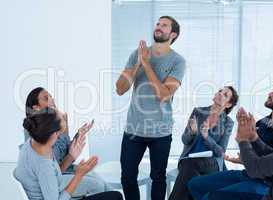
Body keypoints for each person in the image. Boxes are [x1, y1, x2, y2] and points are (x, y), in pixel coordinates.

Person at [188, 80, 273, 200]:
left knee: (210, 196)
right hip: (249, 173)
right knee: (195, 184)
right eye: (272, 90)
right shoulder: (262, 122)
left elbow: (271, 165)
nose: (270, 93)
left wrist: (243, 141)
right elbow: (268, 154)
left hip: (263, 182)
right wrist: (250, 139)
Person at [115, 16, 186, 200]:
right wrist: (139, 62)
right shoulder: (137, 54)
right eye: (157, 24)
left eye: (164, 25)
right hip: (134, 129)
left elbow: (163, 94)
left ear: (173, 34)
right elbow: (120, 89)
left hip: (160, 132)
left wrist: (146, 64)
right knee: (128, 177)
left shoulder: (178, 61)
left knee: (158, 178)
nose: (158, 27)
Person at [14, 107, 123, 200]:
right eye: (62, 119)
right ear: (53, 134)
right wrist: (79, 175)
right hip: (58, 193)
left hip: (57, 184)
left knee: (101, 183)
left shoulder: (36, 140)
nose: (64, 116)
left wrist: (72, 152)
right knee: (115, 196)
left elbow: (54, 175)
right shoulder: (43, 165)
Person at [24, 87, 108, 198]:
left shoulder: (59, 120)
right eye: (46, 98)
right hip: (51, 180)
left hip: (64, 169)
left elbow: (65, 149)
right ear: (36, 108)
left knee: (103, 183)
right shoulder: (36, 131)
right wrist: (72, 158)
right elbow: (53, 172)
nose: (51, 99)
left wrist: (78, 135)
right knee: (98, 185)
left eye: (51, 96)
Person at [168, 86, 239, 200]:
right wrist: (192, 132)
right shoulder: (198, 111)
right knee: (191, 173)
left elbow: (221, 152)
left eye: (225, 95)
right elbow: (184, 140)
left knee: (190, 167)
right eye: (220, 91)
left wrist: (206, 137)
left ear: (228, 104)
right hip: (188, 158)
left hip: (212, 163)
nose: (220, 93)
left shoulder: (228, 122)